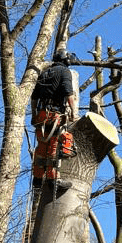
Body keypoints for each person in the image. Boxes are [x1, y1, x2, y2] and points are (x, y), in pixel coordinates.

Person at [29, 48, 77, 190]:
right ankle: (53, 179)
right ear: (64, 59)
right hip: (55, 114)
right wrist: (74, 112)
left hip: (42, 114)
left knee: (41, 147)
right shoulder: (64, 72)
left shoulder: (44, 73)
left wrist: (34, 115)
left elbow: (34, 97)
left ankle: (37, 178)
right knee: (55, 147)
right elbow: (69, 93)